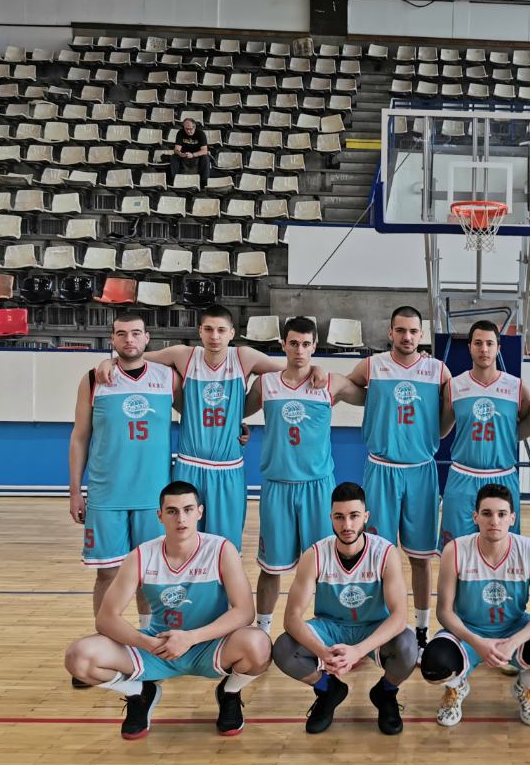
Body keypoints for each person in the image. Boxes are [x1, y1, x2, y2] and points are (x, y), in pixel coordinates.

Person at [64, 481, 272, 739]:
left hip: (209, 646)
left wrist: (191, 638)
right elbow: (106, 619)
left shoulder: (220, 550)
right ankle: (140, 694)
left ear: (200, 512)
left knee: (259, 644)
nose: (181, 518)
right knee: (79, 657)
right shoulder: (142, 555)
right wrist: (147, 643)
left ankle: (229, 693)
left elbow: (244, 611)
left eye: (188, 509)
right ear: (160, 515)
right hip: (158, 647)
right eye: (172, 511)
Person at [95, 304, 290, 553]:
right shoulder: (183, 355)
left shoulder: (244, 357)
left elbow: (292, 373)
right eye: (208, 329)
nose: (214, 336)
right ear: (200, 331)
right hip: (189, 466)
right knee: (183, 546)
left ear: (232, 333)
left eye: (221, 330)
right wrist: (109, 360)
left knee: (226, 548)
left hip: (228, 468)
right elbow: (135, 357)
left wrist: (238, 419)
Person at [67, 310, 170, 686]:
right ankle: (105, 646)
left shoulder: (167, 378)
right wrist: (75, 490)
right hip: (106, 493)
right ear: (111, 339)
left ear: (147, 338)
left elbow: (207, 410)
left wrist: (238, 429)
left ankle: (146, 644)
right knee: (108, 574)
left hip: (152, 495)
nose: (129, 340)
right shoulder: (94, 379)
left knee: (148, 575)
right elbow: (80, 437)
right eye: (121, 334)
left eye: (136, 333)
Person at [342, 306, 451, 651]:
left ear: (422, 335)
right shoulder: (372, 366)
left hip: (420, 471)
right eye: (400, 330)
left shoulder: (438, 370)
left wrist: (436, 433)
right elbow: (348, 388)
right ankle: (376, 626)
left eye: (413, 331)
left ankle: (421, 629)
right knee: (376, 554)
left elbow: (449, 415)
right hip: (381, 469)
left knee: (420, 557)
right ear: (390, 332)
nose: (407, 337)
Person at [271, 482, 418, 736]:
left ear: (366, 517)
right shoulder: (315, 554)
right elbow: (291, 618)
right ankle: (328, 689)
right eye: (339, 517)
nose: (347, 525)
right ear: (330, 517)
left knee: (407, 647)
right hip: (330, 629)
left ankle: (386, 693)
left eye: (354, 516)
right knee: (284, 649)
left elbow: (399, 616)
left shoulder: (385, 552)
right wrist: (324, 653)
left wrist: (358, 651)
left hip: (372, 626)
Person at [244, 316, 362, 635]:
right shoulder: (266, 384)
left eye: (306, 344)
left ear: (315, 346)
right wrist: (239, 427)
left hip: (317, 488)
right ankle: (262, 630)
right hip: (278, 486)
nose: (299, 350)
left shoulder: (330, 384)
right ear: (282, 344)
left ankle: (332, 627)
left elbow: (371, 393)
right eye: (293, 343)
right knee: (271, 568)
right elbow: (236, 412)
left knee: (326, 565)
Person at [421, 484, 530, 728]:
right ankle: (456, 687)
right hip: (468, 631)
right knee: (432, 666)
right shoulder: (455, 550)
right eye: (487, 513)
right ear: (475, 517)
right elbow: (444, 612)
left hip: (514, 630)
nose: (494, 521)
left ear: (513, 518)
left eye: (502, 514)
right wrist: (477, 642)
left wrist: (513, 641)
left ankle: (526, 686)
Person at [438, 319, 530, 547]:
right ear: (469, 347)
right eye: (478, 343)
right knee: (456, 550)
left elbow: (525, 427)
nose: (484, 349)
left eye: (490, 343)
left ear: (498, 348)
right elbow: (440, 431)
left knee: (504, 550)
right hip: (463, 476)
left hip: (502, 475)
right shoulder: (454, 386)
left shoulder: (517, 388)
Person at [169, 117, 211, 186]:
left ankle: (204, 183)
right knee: (174, 157)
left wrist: (193, 155)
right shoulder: (180, 133)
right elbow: (176, 150)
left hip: (197, 155)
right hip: (184, 156)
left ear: (194, 127)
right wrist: (181, 154)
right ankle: (174, 180)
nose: (188, 131)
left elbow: (204, 150)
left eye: (190, 129)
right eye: (186, 129)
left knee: (205, 158)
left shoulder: (200, 133)